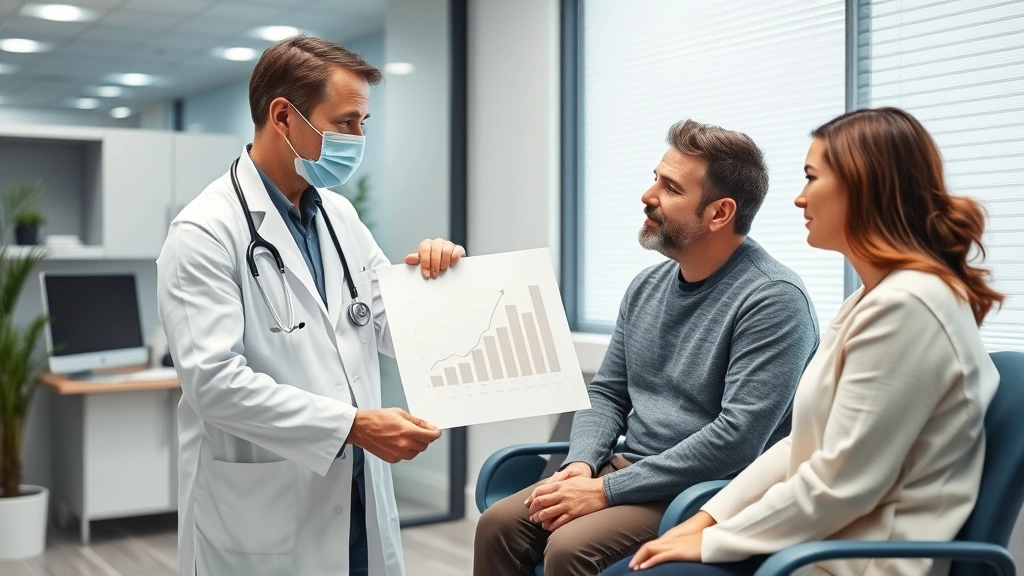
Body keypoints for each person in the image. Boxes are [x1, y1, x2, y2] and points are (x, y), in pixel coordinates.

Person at [602, 107, 1003, 576]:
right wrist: (709, 518)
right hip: (814, 540)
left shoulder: (909, 308)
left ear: (862, 189)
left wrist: (717, 539)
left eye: (812, 178)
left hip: (848, 561)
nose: (798, 198)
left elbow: (840, 485)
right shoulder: (873, 300)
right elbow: (801, 449)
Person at [157, 37, 464, 576]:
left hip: (356, 495)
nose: (358, 139)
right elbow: (213, 382)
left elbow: (390, 329)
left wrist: (439, 280)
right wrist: (352, 426)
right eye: (347, 122)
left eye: (364, 124)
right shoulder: (205, 231)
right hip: (267, 509)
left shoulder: (339, 217)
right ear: (282, 116)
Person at [474, 120, 820, 576]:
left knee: (569, 547)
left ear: (719, 213)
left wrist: (604, 492)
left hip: (704, 491)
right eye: (656, 177)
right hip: (627, 471)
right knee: (498, 524)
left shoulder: (773, 299)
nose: (647, 194)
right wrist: (581, 464)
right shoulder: (646, 286)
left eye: (670, 187)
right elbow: (607, 393)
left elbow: (737, 440)